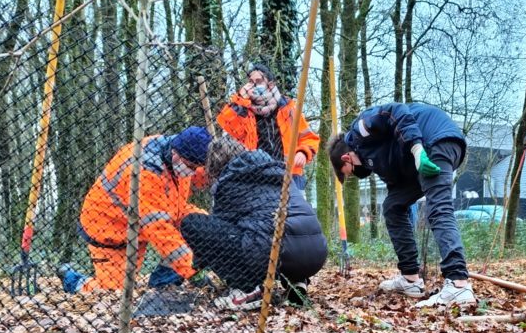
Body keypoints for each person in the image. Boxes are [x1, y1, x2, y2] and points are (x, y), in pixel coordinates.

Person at [328, 102, 474, 308]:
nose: (354, 176)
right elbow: (396, 185)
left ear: (346, 157)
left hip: (433, 141)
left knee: (438, 207)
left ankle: (458, 284)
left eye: (349, 172)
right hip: (425, 156)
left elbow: (395, 111)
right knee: (392, 207)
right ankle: (411, 279)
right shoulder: (374, 157)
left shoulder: (360, 130)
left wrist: (416, 148)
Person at [59, 127, 211, 293]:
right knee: (114, 292)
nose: (192, 172)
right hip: (112, 230)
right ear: (176, 154)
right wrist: (192, 272)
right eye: (190, 166)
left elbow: (200, 176)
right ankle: (72, 280)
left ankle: (164, 284)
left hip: (157, 217)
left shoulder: (174, 152)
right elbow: (159, 230)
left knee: (205, 225)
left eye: (196, 168)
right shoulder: (145, 172)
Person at [181, 137, 327, 309]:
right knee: (281, 228)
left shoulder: (229, 182)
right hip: (316, 254)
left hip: (274, 253)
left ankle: (248, 289)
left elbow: (221, 231)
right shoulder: (280, 173)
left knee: (192, 223)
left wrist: (201, 259)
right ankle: (297, 281)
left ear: (215, 164)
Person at [217, 63, 320, 191]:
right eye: (250, 81)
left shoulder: (288, 109)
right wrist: (240, 100)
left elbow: (309, 138)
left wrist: (303, 153)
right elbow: (226, 123)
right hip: (255, 177)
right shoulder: (244, 110)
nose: (253, 85)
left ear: (270, 84)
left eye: (258, 81)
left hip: (290, 175)